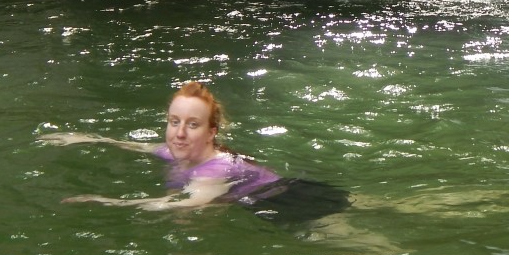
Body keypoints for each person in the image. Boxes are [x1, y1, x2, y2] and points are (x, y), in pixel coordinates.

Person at [39, 81, 349, 220]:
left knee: (371, 248)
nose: (179, 133)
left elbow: (182, 205)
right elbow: (140, 146)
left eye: (192, 124)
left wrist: (104, 201)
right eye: (174, 122)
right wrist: (86, 138)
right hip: (284, 190)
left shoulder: (213, 171)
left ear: (211, 132)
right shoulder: (175, 151)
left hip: (287, 202)